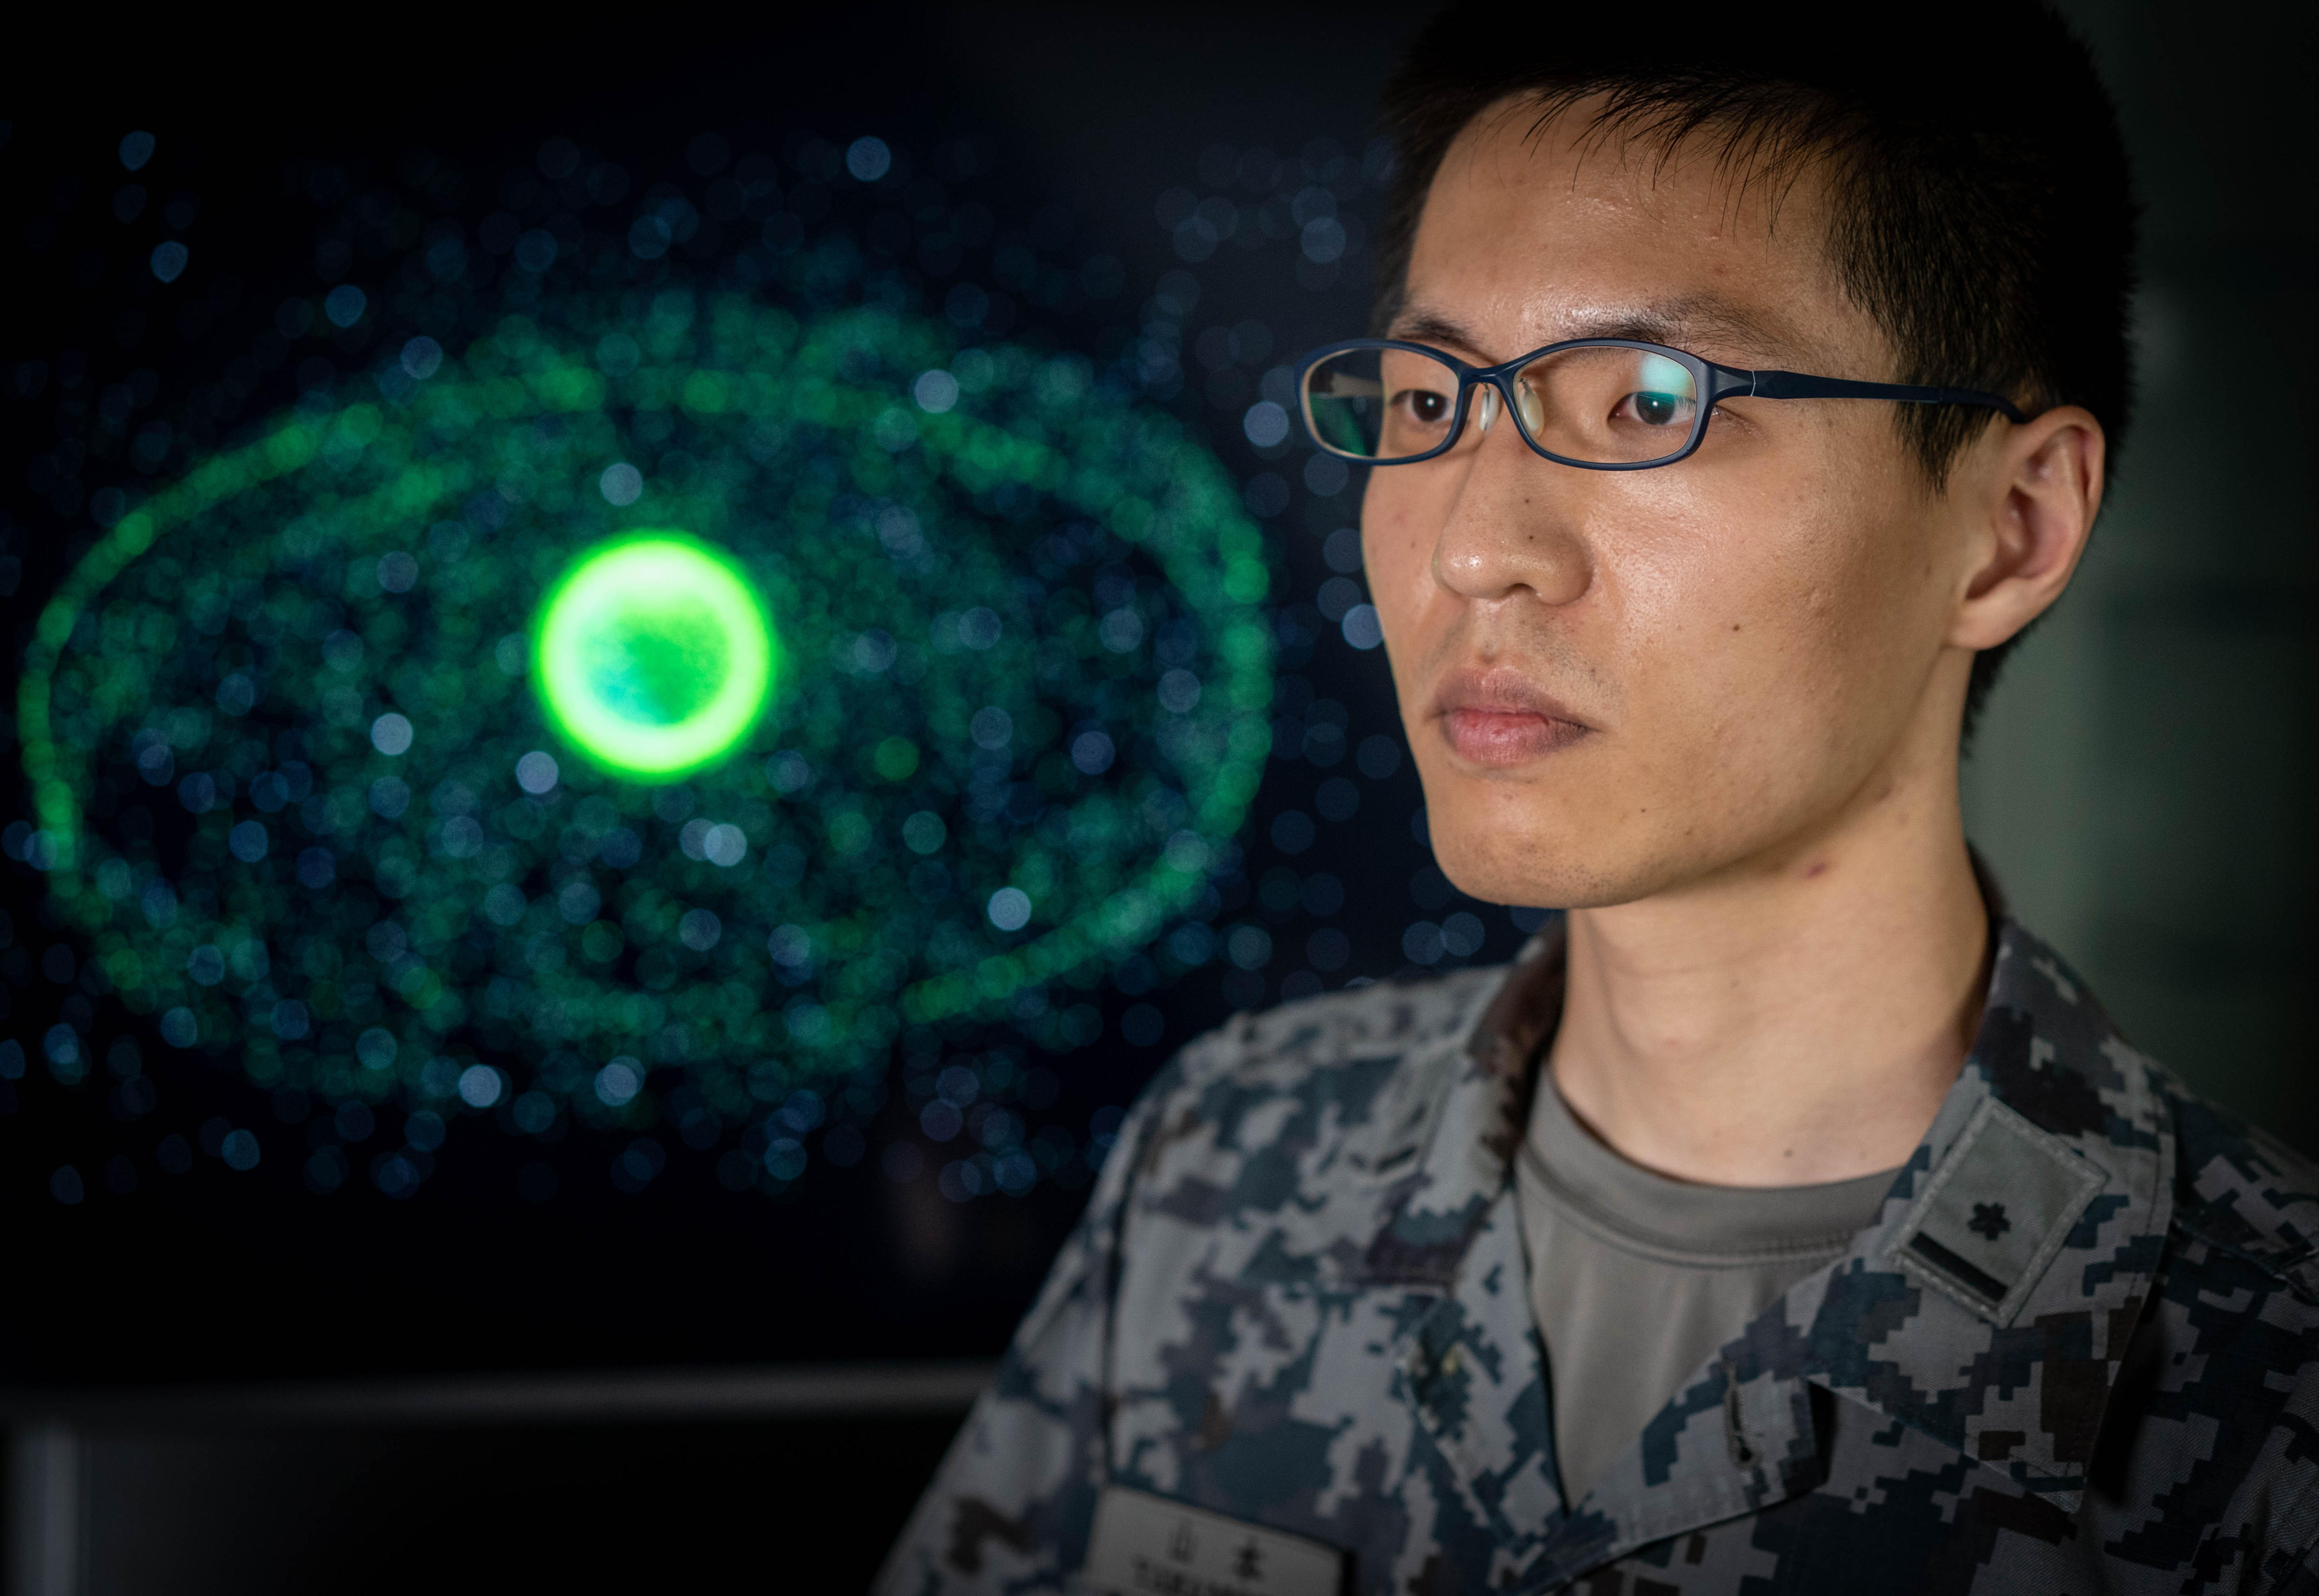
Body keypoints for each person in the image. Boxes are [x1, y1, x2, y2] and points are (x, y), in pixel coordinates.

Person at [878, 5, 2319, 1590]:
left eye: (1649, 400)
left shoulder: (2258, 1385)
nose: (1476, 547)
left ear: (2012, 529)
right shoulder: (1236, 1165)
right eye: (1430, 402)